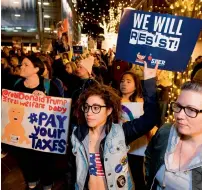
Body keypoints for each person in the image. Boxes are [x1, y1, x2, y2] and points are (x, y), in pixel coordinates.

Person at [66, 62, 159, 190]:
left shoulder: (119, 133)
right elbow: (72, 172)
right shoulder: (77, 135)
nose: (89, 112)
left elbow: (150, 118)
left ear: (109, 110)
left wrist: (149, 81)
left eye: (96, 108)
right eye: (86, 107)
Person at [8, 56, 61, 190]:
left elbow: (61, 109)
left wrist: (47, 100)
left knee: (45, 160)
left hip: (43, 135)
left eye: (26, 65)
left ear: (36, 69)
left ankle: (47, 183)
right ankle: (31, 179)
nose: (21, 67)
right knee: (25, 159)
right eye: (22, 64)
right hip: (23, 134)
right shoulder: (16, 84)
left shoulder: (49, 85)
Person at [145, 81, 202, 190]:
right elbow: (149, 157)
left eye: (191, 110)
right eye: (178, 106)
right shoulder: (165, 132)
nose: (179, 115)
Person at [119, 71, 148, 189]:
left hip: (137, 145)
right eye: (122, 81)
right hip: (120, 144)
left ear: (136, 85)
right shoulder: (115, 100)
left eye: (128, 81)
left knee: (138, 176)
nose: (124, 84)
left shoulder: (142, 102)